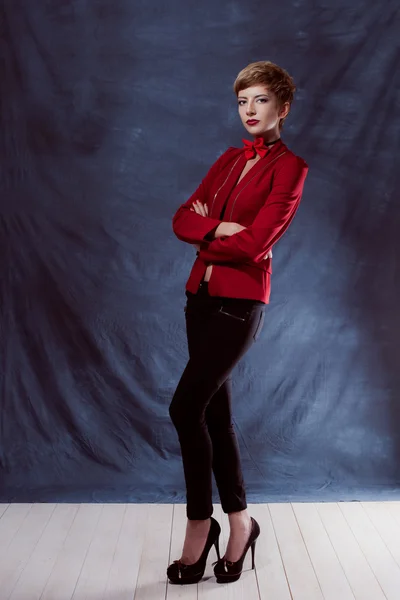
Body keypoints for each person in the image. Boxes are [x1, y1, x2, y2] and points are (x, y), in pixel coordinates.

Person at [167, 60, 308, 585]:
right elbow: (182, 216)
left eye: (261, 101)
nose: (249, 111)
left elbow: (258, 243)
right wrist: (220, 225)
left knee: (185, 408)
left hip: (240, 303)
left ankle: (199, 528)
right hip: (198, 298)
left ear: (283, 107)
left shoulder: (291, 168)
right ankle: (242, 524)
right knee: (214, 417)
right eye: (242, 102)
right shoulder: (228, 159)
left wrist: (210, 232)